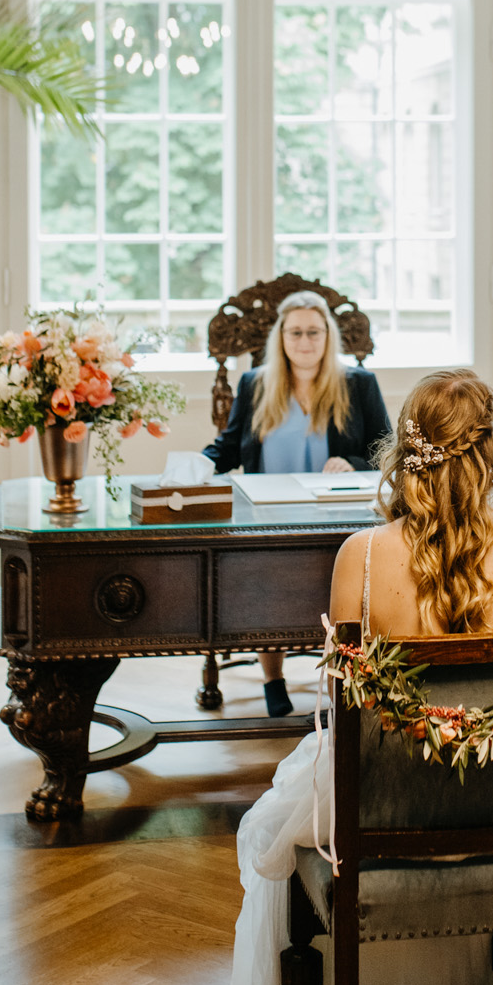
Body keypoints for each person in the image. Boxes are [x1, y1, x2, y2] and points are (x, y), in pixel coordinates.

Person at [190, 369, 493, 985]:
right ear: (488, 452)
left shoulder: (362, 558)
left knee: (291, 800)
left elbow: (339, 705)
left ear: (405, 448)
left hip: (383, 808)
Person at [202, 290, 391, 715]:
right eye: (295, 332)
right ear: (281, 337)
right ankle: (273, 678)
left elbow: (386, 449)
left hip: (338, 517)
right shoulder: (255, 384)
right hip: (268, 514)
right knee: (268, 589)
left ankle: (347, 680)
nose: (305, 342)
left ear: (328, 336)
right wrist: (196, 466)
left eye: (314, 332)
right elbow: (228, 448)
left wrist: (354, 461)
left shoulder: (358, 383)